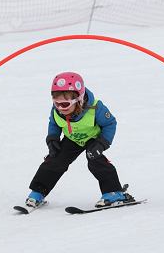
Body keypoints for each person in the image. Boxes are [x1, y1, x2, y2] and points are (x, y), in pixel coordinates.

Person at [23, 72, 134, 209]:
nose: (60, 108)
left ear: (79, 99)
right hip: (72, 139)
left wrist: (102, 143)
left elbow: (110, 123)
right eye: (56, 103)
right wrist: (52, 139)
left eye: (65, 104)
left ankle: (114, 192)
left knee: (95, 161)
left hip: (93, 139)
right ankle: (38, 192)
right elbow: (54, 123)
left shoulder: (96, 108)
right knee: (55, 160)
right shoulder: (57, 110)